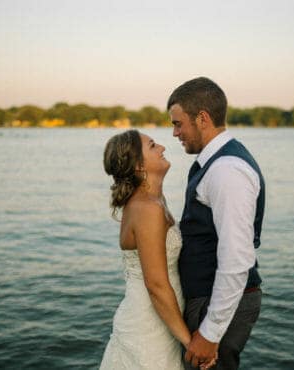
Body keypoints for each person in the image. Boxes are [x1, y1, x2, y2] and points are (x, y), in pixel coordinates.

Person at [167, 77, 265, 370]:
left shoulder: (226, 170)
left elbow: (237, 257)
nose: (175, 133)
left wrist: (210, 332)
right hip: (209, 298)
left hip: (216, 303)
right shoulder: (216, 163)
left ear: (203, 118)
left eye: (178, 123)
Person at [100, 130, 216, 370]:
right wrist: (190, 342)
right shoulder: (147, 208)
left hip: (164, 322)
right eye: (152, 145)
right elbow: (156, 285)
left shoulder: (154, 201)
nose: (162, 147)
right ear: (139, 166)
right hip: (148, 328)